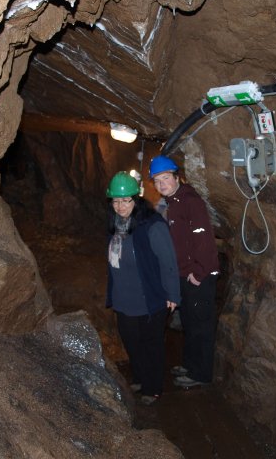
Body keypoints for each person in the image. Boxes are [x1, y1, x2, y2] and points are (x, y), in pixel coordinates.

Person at [105, 171, 180, 405]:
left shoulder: (152, 225)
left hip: (149, 297)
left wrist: (173, 294)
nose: (120, 206)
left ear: (136, 199)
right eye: (115, 201)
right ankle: (139, 377)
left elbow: (168, 262)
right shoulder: (116, 224)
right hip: (123, 297)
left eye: (125, 200)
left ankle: (153, 387)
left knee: (151, 344)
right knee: (131, 341)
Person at [149, 155, 220, 388]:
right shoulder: (173, 202)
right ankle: (190, 365)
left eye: (165, 178)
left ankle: (200, 375)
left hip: (199, 276)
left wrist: (199, 272)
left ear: (176, 177)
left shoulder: (190, 201)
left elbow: (204, 239)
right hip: (186, 274)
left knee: (200, 326)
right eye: (157, 180)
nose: (161, 184)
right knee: (190, 323)